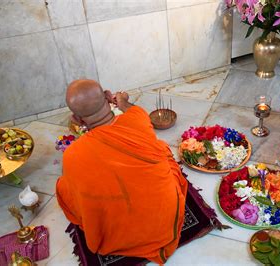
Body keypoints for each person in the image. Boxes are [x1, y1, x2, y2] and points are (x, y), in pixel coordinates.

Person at [56, 80, 188, 264]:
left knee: (64, 186)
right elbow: (133, 110)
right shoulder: (138, 119)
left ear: (77, 120)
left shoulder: (72, 154)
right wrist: (124, 102)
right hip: (164, 223)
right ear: (109, 97)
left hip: (116, 237)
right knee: (162, 150)